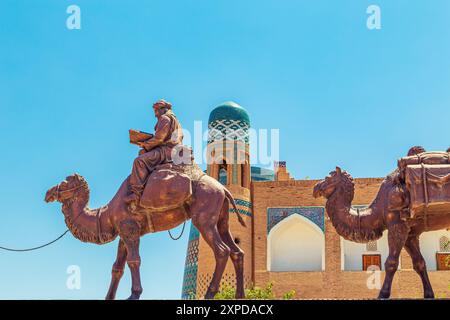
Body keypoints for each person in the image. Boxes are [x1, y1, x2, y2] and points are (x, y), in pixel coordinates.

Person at [125, 99, 184, 211]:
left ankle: (136, 194)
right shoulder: (175, 120)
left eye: (156, 110)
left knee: (139, 161)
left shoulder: (165, 119)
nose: (155, 114)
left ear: (160, 109)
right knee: (143, 154)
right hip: (173, 150)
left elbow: (159, 138)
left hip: (167, 151)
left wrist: (144, 144)